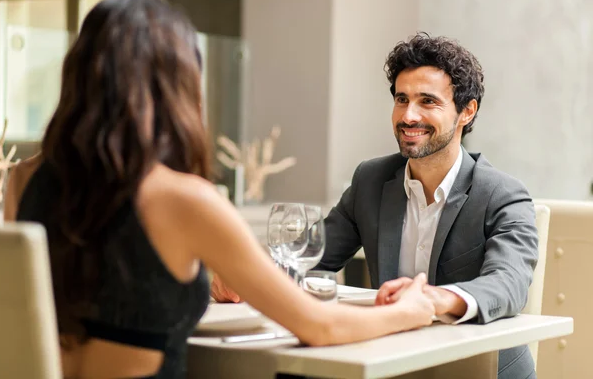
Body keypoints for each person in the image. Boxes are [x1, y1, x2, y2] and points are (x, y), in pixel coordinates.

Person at [4, 0, 436, 379]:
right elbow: (319, 326)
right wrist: (409, 312)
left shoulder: (23, 179)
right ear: (176, 82)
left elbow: (96, 284)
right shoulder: (184, 198)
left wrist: (196, 279)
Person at [213, 33, 539, 379]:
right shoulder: (371, 180)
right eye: (402, 99)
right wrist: (248, 274)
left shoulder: (503, 193)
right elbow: (310, 252)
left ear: (466, 111)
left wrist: (433, 299)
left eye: (427, 101)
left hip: (478, 370)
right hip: (390, 364)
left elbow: (509, 283)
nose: (409, 115)